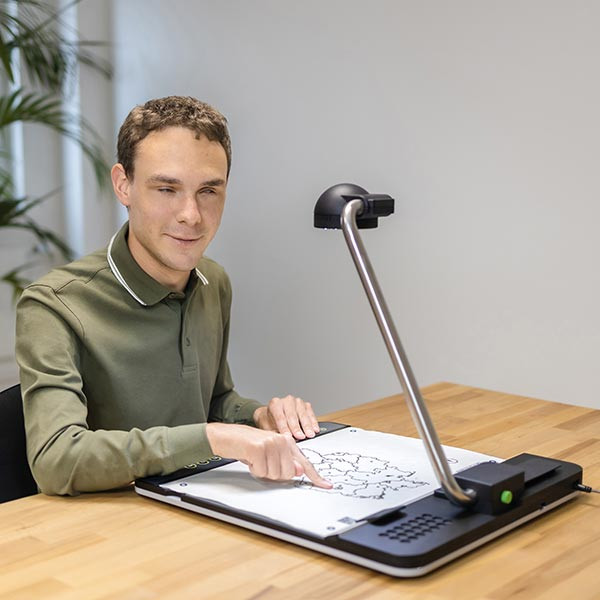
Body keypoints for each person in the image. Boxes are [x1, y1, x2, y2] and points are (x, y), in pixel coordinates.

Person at [15, 96, 332, 495]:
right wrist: (213, 438)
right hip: (109, 523)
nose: (191, 215)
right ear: (123, 185)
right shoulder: (52, 305)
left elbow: (214, 401)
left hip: (199, 505)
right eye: (167, 188)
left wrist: (258, 417)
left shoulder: (213, 281)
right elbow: (56, 459)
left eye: (208, 190)